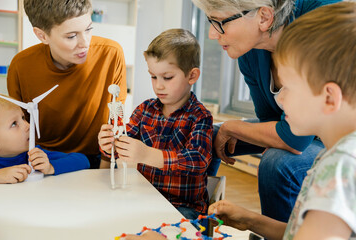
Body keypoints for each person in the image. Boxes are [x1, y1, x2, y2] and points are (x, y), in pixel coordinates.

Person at [123, 2, 356, 239]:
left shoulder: (339, 167)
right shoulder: (336, 160)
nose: (280, 97)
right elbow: (297, 234)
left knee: (276, 162)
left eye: (290, 87)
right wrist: (250, 220)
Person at [191, 0, 341, 222]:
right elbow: (269, 118)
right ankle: (194, 222)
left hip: (336, 136)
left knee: (277, 162)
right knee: (205, 134)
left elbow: (294, 139)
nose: (213, 34)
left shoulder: (316, 27)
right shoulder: (250, 51)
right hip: (296, 127)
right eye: (210, 22)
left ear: (264, 17)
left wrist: (234, 127)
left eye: (220, 23)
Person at [98, 29, 213, 219]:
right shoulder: (144, 110)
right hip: (143, 198)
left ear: (192, 76)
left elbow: (198, 160)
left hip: (183, 207)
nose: (158, 85)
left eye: (167, 78)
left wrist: (148, 155)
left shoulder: (200, 116)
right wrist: (110, 144)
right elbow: (121, 147)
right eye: (153, 76)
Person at [7, 0, 127, 169]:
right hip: (44, 160)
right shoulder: (21, 65)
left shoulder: (111, 54)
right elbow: (15, 128)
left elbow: (116, 122)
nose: (84, 42)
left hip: (98, 159)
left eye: (88, 29)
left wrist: (105, 166)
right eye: (71, 36)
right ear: (42, 35)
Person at [0, 95, 90, 184]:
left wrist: (50, 167)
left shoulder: (34, 155)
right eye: (14, 124)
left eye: (23, 118)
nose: (28, 126)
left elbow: (83, 161)